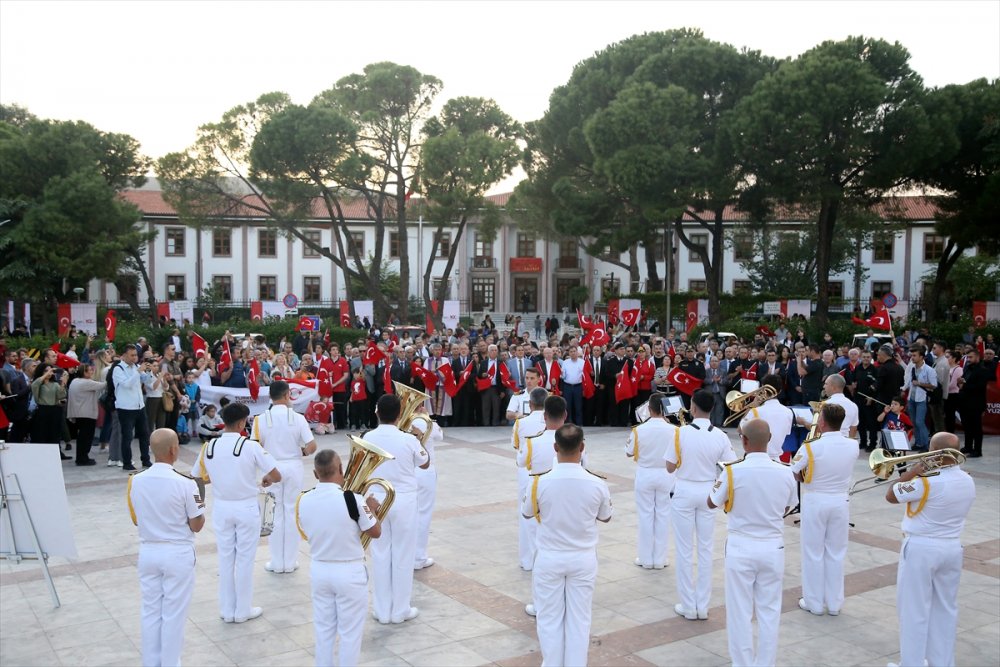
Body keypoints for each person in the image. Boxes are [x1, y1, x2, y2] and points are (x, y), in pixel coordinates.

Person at [521, 424, 612, 667]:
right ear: (582, 448)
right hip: (582, 557)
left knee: (549, 618)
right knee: (579, 619)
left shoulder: (539, 482)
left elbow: (527, 513)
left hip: (550, 557)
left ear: (555, 447)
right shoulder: (596, 483)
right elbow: (606, 516)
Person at [708, 419, 796, 667]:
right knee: (769, 612)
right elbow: (788, 506)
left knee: (740, 612)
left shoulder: (732, 471)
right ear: (769, 441)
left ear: (744, 441)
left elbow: (712, 502)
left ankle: (743, 663)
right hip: (772, 547)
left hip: (741, 547)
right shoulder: (785, 471)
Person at [885, 432, 975, 667]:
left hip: (922, 548)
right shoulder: (967, 479)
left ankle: (912, 663)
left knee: (913, 610)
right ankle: (942, 663)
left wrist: (914, 470)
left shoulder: (925, 482)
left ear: (936, 453)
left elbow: (891, 494)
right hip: (952, 547)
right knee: (945, 609)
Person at [195, 402, 281, 624]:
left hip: (222, 507)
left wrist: (201, 502)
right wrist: (267, 479)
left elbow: (196, 477)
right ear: (243, 423)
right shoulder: (250, 446)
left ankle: (227, 609)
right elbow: (276, 474)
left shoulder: (209, 447)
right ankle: (242, 609)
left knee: (225, 558)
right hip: (246, 507)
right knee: (244, 558)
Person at [127, 429, 206, 667]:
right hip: (177, 553)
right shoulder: (187, 483)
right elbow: (197, 524)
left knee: (150, 611)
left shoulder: (135, 481)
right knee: (174, 614)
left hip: (148, 551)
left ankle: (151, 663)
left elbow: (137, 518)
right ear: (174, 449)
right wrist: (201, 502)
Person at [296, 449, 382, 667]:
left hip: (320, 569)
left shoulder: (303, 499)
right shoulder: (353, 499)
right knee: (350, 634)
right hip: (349, 571)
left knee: (323, 630)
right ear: (341, 470)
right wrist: (371, 509)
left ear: (315, 474)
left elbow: (305, 530)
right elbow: (375, 532)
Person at [665, 389, 737, 621]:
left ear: (693, 407)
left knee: (685, 550)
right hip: (709, 490)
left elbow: (669, 467)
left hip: (685, 489)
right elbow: (729, 466)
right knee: (705, 549)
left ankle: (688, 605)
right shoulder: (720, 435)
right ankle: (702, 605)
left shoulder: (681, 433)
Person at [365, 394, 429, 624]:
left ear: (376, 413)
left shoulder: (367, 437)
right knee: (403, 552)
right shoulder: (408, 439)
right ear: (400, 415)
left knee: (381, 553)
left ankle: (382, 611)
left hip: (376, 498)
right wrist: (418, 439)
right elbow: (425, 462)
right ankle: (400, 610)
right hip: (404, 500)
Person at [789, 404, 858, 616]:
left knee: (813, 552)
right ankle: (834, 603)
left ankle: (814, 602)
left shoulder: (812, 446)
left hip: (816, 500)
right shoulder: (852, 445)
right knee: (836, 552)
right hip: (840, 501)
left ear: (822, 422)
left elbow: (795, 470)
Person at [252, 381, 318, 574]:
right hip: (293, 466)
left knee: (274, 514)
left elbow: (255, 448)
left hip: (272, 467)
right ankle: (290, 561)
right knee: (291, 513)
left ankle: (277, 562)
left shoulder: (260, 419)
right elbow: (312, 446)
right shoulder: (297, 418)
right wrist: (301, 452)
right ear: (288, 395)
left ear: (270, 396)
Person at [517, 395, 568, 599]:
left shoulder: (533, 442)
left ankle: (541, 600)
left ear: (544, 416)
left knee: (540, 541)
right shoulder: (573, 440)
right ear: (565, 415)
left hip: (539, 490)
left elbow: (521, 462)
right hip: (564, 491)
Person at [626, 392, 676, 569]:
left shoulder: (639, 430)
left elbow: (629, 451)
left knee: (646, 515)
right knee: (663, 515)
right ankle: (660, 559)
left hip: (645, 473)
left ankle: (646, 559)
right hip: (666, 475)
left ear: (649, 409)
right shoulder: (674, 430)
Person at [512, 387, 548, 571]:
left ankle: (527, 560)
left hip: (527, 471)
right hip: (549, 471)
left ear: (531, 404)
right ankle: (544, 557)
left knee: (526, 515)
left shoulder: (521, 423)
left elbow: (516, 446)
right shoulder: (553, 421)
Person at [409, 406, 441, 570]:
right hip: (426, 468)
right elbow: (440, 436)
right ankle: (419, 557)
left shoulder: (405, 421)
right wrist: (427, 417)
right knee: (424, 513)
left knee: (410, 513)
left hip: (409, 469)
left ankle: (408, 554)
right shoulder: (428, 422)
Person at [114, 344, 154, 471]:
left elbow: (147, 381)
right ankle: (127, 462)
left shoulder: (137, 367)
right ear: (124, 356)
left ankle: (146, 460)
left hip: (139, 406)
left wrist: (148, 371)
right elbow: (127, 384)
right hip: (126, 408)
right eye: (132, 355)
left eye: (136, 355)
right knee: (127, 436)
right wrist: (138, 372)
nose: (134, 358)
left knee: (144, 434)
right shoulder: (118, 369)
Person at [738, 374, 792, 461]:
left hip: (756, 459)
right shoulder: (789, 412)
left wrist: (751, 407)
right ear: (780, 391)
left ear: (762, 389)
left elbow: (740, 430)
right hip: (777, 460)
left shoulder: (756, 411)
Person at [66, 363, 105, 465]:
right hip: (86, 413)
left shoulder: (74, 381)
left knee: (82, 437)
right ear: (84, 372)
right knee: (86, 437)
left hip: (79, 413)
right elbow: (103, 385)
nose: (92, 372)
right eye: (90, 370)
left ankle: (82, 457)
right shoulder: (85, 382)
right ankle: (82, 459)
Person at [30, 363, 70, 459]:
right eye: (46, 370)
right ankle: (42, 456)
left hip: (54, 410)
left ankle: (54, 455)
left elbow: (61, 395)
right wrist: (45, 375)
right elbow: (34, 385)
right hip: (43, 411)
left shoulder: (55, 384)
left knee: (54, 434)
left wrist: (63, 384)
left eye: (50, 370)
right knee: (42, 434)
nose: (49, 372)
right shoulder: (38, 383)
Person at [902, 345, 937, 452]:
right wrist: (903, 390)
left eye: (914, 355)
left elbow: (934, 385)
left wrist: (920, 383)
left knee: (919, 422)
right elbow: (908, 381)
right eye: (911, 355)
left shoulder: (929, 370)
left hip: (922, 399)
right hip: (911, 398)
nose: (912, 358)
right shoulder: (912, 367)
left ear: (921, 357)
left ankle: (926, 445)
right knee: (913, 422)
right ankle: (918, 443)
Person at [957, 348, 989, 458]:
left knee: (976, 428)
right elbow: (963, 382)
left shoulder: (982, 370)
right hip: (964, 402)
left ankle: (977, 450)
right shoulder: (967, 368)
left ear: (977, 357)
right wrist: (960, 382)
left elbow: (980, 387)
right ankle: (968, 446)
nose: (969, 359)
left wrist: (964, 385)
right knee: (966, 426)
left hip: (976, 403)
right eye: (967, 357)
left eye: (971, 357)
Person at [821, 374, 859, 439]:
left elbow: (818, 428)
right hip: (846, 443)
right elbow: (853, 429)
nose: (824, 386)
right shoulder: (853, 405)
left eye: (826, 384)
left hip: (827, 443)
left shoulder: (825, 404)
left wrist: (804, 422)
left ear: (833, 387)